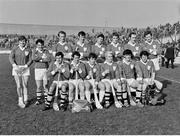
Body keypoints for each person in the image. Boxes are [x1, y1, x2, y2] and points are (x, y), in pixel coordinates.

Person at [9, 35, 33, 108]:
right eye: (21, 41)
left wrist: (26, 66)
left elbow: (31, 59)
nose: (22, 42)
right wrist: (15, 66)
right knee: (19, 85)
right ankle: (20, 100)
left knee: (25, 84)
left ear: (26, 42)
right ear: (18, 42)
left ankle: (26, 99)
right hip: (17, 68)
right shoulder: (15, 49)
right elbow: (10, 57)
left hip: (25, 68)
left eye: (24, 41)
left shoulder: (28, 49)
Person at [32, 39, 52, 105]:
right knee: (39, 86)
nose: (40, 46)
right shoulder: (35, 51)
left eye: (41, 45)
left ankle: (46, 100)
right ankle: (38, 100)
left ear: (43, 45)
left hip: (45, 69)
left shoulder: (46, 51)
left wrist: (39, 59)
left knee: (45, 85)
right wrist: (42, 58)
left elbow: (48, 59)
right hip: (37, 70)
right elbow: (33, 58)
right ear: (37, 45)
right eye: (38, 45)